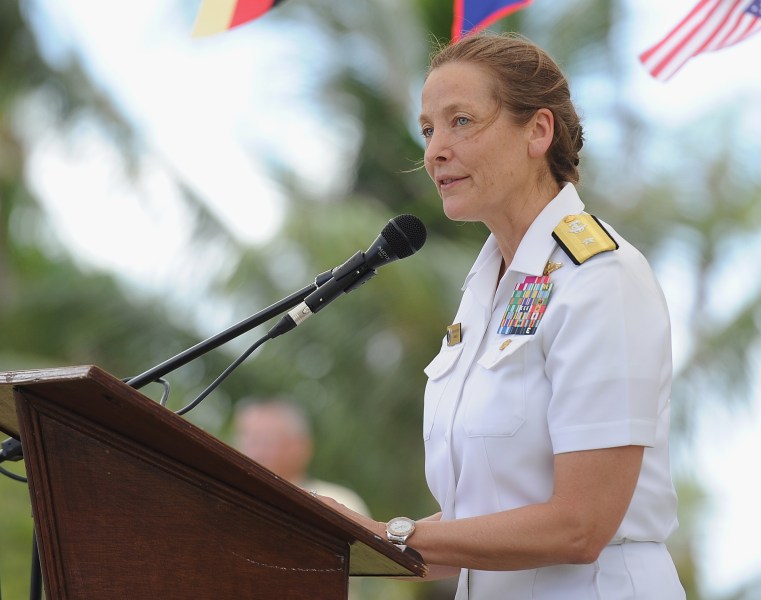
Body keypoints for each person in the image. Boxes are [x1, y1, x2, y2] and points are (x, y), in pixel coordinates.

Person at [318, 31, 686, 599]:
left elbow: (580, 525)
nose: (435, 149)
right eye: (428, 129)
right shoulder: (488, 284)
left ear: (538, 131)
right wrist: (346, 536)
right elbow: (483, 522)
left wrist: (390, 536)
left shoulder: (601, 278)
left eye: (461, 121)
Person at [233, 397, 370, 518]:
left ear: (300, 446)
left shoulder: (340, 501)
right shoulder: (230, 494)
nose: (254, 449)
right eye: (246, 438)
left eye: (265, 439)